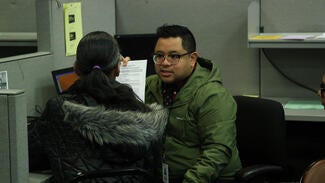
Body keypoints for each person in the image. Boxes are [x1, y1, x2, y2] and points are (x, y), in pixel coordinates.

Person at [39, 31, 168, 183]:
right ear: (117, 69)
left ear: (76, 68)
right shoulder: (147, 119)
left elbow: (31, 156)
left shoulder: (59, 110)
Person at [145, 24, 242, 183]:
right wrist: (118, 69)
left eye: (174, 56)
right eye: (159, 56)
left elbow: (217, 152)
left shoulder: (212, 95)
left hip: (211, 178)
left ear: (192, 59)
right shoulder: (151, 85)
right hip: (164, 175)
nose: (165, 63)